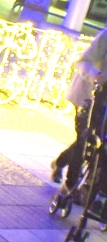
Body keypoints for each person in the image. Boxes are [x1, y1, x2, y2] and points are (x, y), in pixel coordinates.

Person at [51, 29, 106, 195]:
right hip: (87, 97)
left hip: (104, 102)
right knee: (84, 138)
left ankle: (60, 162)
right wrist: (96, 76)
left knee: (97, 141)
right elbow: (83, 62)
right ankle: (70, 185)